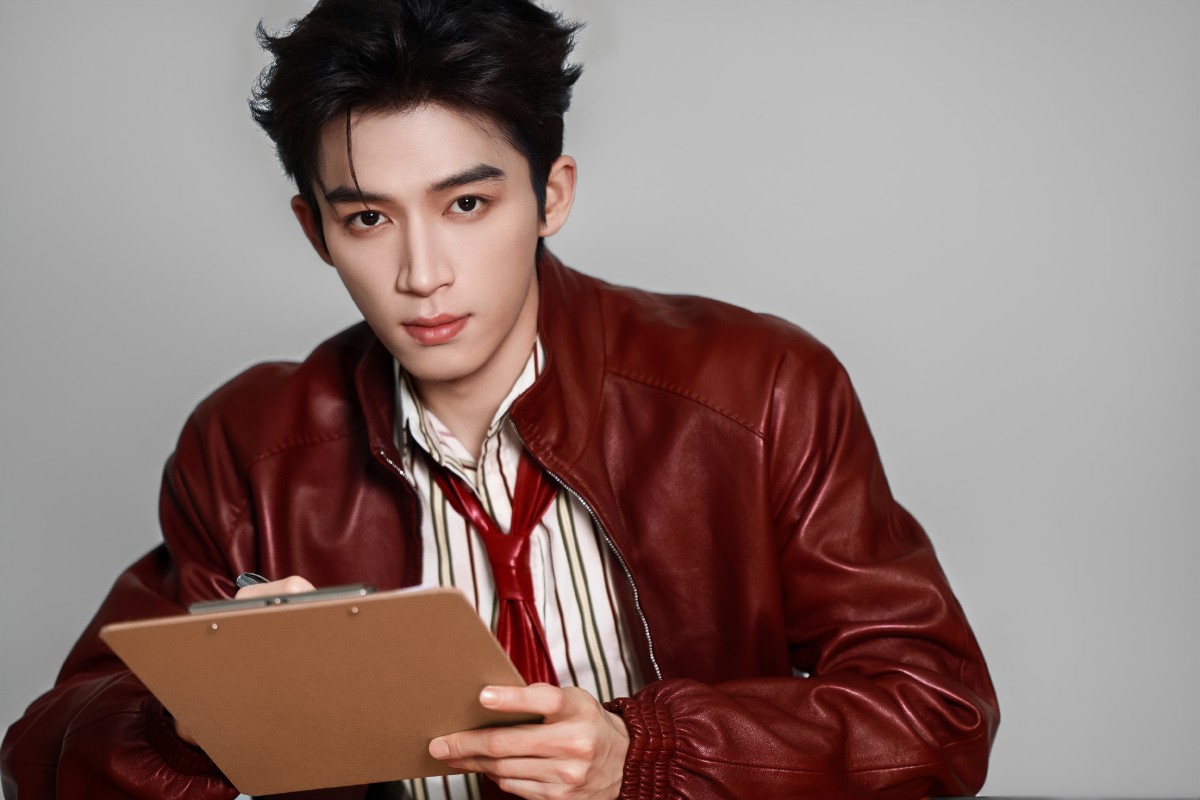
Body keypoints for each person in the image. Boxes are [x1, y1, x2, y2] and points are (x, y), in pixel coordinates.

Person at [0, 1, 999, 798]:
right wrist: (202, 710)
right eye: (368, 218)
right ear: (315, 231)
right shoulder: (251, 443)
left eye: (467, 203)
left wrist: (643, 756)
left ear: (551, 195)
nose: (422, 272)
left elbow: (935, 712)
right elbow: (44, 751)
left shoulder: (759, 388)